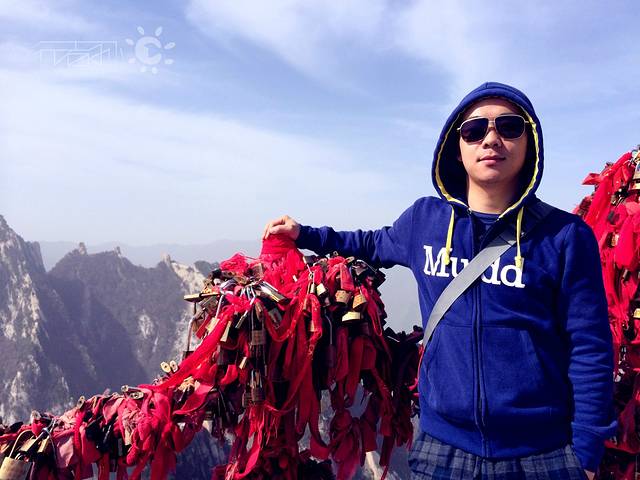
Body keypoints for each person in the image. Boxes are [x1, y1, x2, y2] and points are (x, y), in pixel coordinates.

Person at [263, 82, 616, 480]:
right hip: (442, 450)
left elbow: (590, 345)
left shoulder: (565, 236)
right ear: (456, 147)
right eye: (475, 130)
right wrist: (305, 234)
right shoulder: (425, 221)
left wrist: (587, 453)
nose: (491, 139)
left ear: (529, 141)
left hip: (542, 453)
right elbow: (371, 243)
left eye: (509, 126)